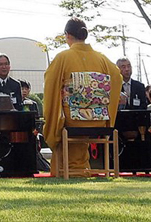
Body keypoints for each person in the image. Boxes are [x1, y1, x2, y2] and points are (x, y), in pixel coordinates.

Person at [42, 18, 123, 177]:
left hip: (74, 118)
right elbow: (117, 77)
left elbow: (50, 83)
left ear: (67, 35)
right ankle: (82, 167)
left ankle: (68, 170)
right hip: (98, 118)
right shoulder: (101, 58)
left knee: (60, 122)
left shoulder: (63, 57)